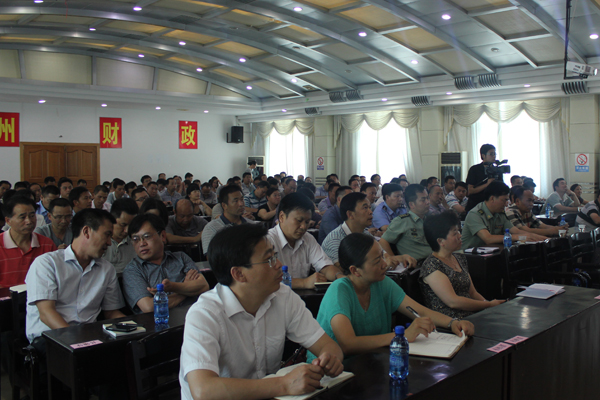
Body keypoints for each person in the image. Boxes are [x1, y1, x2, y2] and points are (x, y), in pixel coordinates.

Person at [179, 223, 344, 400]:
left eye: (275, 256)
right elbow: (203, 390)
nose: (279, 264)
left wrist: (329, 359)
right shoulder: (205, 314)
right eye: (269, 260)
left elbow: (328, 346)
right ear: (239, 274)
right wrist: (284, 384)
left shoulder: (283, 296)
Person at [309, 232, 474, 362]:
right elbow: (348, 344)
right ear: (355, 270)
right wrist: (401, 336)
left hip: (370, 363)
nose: (384, 264)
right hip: (332, 371)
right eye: (377, 261)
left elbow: (420, 311)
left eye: (382, 256)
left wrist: (453, 322)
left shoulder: (382, 283)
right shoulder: (339, 290)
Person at [25, 208, 126, 342]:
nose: (109, 242)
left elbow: (111, 312)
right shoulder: (47, 263)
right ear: (86, 231)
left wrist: (135, 327)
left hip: (89, 336)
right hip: (51, 338)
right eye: (107, 235)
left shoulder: (106, 269)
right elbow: (46, 313)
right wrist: (78, 342)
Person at [420, 212, 505, 319]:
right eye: (455, 233)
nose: (460, 235)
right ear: (440, 241)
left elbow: (473, 293)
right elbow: (453, 302)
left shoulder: (459, 258)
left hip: (470, 315)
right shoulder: (432, 265)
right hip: (450, 321)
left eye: (459, 231)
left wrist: (489, 307)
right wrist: (488, 305)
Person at [122, 214, 209, 313]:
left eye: (147, 237)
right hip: (160, 321)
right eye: (135, 239)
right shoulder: (132, 270)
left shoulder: (181, 258)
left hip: (195, 315)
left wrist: (173, 287)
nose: (142, 243)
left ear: (163, 236)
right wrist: (185, 289)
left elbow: (203, 286)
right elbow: (149, 307)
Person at [322, 192, 415, 268]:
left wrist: (401, 258)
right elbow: (344, 270)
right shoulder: (335, 239)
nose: (370, 212)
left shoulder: (365, 233)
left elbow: (384, 255)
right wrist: (382, 264)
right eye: (365, 208)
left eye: (370, 207)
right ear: (350, 214)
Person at [268, 193, 340, 289]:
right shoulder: (267, 241)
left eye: (307, 222)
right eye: (299, 220)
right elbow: (265, 279)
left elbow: (325, 267)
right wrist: (303, 283)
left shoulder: (308, 239)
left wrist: (340, 277)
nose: (304, 227)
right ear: (282, 217)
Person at [461, 181, 545, 249]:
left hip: (492, 253)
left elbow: (516, 231)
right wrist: (518, 237)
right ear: (492, 198)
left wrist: (536, 237)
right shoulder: (475, 214)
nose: (506, 204)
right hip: (470, 257)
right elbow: (488, 239)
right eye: (504, 200)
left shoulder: (500, 213)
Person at [0, 196, 57, 287]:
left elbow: (56, 277)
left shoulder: (47, 245)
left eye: (32, 216)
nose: (29, 221)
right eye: (22, 217)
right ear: (8, 221)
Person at [379, 184, 433, 262]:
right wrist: (394, 260)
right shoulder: (402, 221)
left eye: (427, 198)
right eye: (423, 200)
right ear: (411, 204)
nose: (428, 202)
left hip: (433, 260)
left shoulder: (429, 220)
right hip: (418, 264)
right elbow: (383, 241)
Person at [202, 185, 253, 255]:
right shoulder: (212, 228)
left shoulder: (251, 225)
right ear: (224, 205)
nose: (241, 204)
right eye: (236, 201)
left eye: (242, 199)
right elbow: (211, 258)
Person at [102, 198, 139, 273]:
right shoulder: (99, 241)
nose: (127, 230)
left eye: (131, 225)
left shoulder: (137, 242)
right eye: (123, 225)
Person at [465, 144, 501, 212]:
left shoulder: (497, 170)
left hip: (493, 206)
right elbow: (470, 191)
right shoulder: (474, 169)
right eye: (491, 154)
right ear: (483, 155)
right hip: (476, 206)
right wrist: (487, 184)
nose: (494, 156)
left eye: (495, 154)